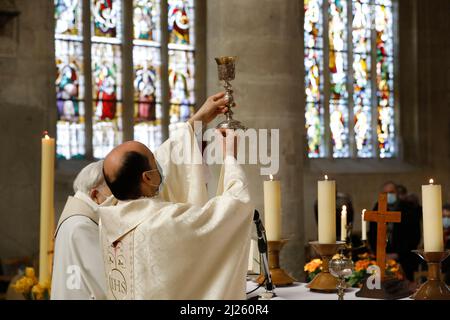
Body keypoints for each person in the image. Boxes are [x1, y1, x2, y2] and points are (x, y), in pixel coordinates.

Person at [98, 92, 253, 299]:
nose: (160, 166)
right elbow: (236, 206)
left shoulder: (108, 218)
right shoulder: (165, 222)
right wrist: (230, 157)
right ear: (148, 178)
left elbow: (164, 157)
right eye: (154, 162)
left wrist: (194, 124)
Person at [51, 160, 116, 300]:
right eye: (114, 192)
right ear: (95, 194)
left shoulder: (75, 220)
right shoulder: (82, 225)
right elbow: (107, 282)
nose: (117, 201)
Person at [368, 181, 421, 282]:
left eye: (391, 192)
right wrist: (381, 253)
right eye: (385, 193)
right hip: (382, 257)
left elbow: (414, 235)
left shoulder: (408, 209)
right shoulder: (377, 208)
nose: (389, 195)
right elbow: (373, 234)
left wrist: (398, 254)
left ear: (397, 193)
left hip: (405, 258)